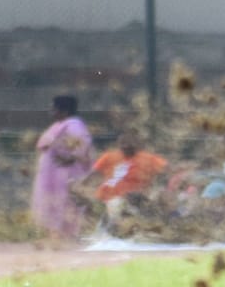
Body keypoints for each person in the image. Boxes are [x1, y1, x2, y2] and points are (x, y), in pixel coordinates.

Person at [30, 94, 94, 244]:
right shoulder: (59, 125)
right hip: (52, 174)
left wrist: (71, 157)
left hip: (64, 174)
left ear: (64, 111)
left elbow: (82, 145)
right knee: (52, 202)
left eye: (54, 109)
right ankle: (54, 235)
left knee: (64, 202)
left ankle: (63, 236)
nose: (51, 112)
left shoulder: (74, 125)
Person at [87, 133, 169, 237]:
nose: (127, 151)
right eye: (124, 148)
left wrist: (159, 187)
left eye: (130, 148)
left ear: (136, 147)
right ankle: (110, 231)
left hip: (137, 198)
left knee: (139, 215)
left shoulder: (148, 158)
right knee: (115, 208)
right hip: (110, 197)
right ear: (119, 146)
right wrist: (83, 184)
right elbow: (93, 172)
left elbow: (166, 169)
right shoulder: (109, 157)